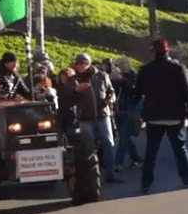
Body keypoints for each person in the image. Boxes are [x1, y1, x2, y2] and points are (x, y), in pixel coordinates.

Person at [135, 38, 188, 194]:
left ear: (153, 51)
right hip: (175, 114)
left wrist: (140, 113)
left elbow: (137, 94)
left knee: (151, 152)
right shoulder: (178, 68)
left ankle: (146, 183)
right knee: (180, 148)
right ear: (168, 51)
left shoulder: (145, 70)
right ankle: (186, 178)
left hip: (153, 116)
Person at [68, 52, 121, 184]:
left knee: (108, 143)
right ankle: (93, 175)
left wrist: (109, 101)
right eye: (79, 63)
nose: (82, 66)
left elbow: (111, 91)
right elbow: (67, 97)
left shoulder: (101, 76)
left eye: (85, 63)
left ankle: (111, 173)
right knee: (88, 146)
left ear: (89, 64)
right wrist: (75, 90)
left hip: (102, 113)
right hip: (85, 116)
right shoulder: (74, 79)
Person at [111, 57, 143, 172]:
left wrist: (121, 81)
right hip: (118, 110)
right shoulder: (116, 77)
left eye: (123, 63)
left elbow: (134, 92)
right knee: (125, 137)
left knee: (124, 138)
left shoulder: (134, 76)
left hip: (130, 110)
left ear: (128, 64)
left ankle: (117, 163)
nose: (121, 66)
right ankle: (136, 158)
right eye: (119, 64)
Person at [55, 67, 77, 136]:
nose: (62, 78)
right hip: (61, 114)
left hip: (70, 114)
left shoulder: (72, 87)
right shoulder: (59, 87)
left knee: (70, 133)